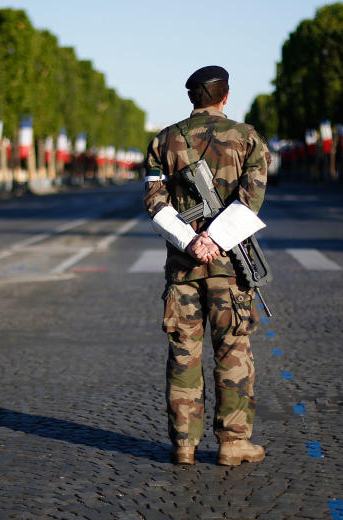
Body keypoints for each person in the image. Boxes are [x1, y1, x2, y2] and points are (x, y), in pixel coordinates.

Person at [143, 65, 271, 466]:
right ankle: (233, 443)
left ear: (191, 97)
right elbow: (251, 200)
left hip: (183, 268)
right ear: (225, 96)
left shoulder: (164, 140)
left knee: (184, 353)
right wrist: (215, 240)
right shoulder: (248, 138)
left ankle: (184, 443)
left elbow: (153, 201)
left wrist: (191, 240)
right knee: (233, 351)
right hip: (229, 268)